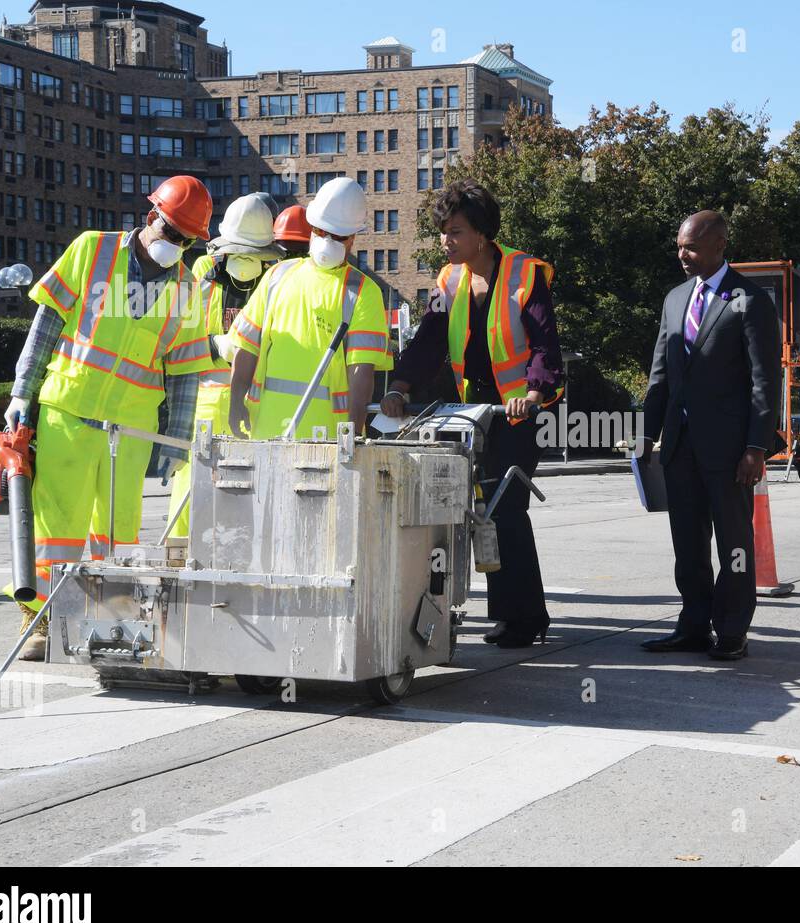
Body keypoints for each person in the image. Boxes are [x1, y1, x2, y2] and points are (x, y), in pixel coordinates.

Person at [3, 175, 217, 659]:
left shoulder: (187, 288)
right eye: (173, 233)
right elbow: (46, 326)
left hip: (132, 429)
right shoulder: (91, 251)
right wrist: (22, 391)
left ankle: (112, 622)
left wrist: (176, 439)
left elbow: (184, 371)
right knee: (57, 525)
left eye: (187, 240)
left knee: (119, 532)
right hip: (69, 413)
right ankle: (38, 621)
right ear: (150, 219)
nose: (177, 247)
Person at [380, 179, 563, 648]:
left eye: (455, 232)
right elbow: (429, 339)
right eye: (443, 232)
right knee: (481, 515)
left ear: (481, 233)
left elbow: (544, 344)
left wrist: (536, 392)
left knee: (506, 511)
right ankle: (506, 614)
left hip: (517, 412)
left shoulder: (525, 274)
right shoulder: (450, 280)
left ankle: (527, 617)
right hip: (473, 413)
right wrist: (399, 386)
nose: (446, 241)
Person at [638, 210, 781, 661]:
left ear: (720, 245)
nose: (683, 255)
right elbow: (660, 375)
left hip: (731, 451)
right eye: (680, 246)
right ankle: (693, 626)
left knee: (734, 543)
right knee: (689, 545)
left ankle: (733, 629)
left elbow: (765, 380)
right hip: (679, 449)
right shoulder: (675, 299)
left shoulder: (751, 300)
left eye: (692, 247)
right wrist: (645, 437)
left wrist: (757, 447)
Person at [228, 177, 391, 440]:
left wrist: (352, 434)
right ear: (311, 227)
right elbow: (246, 346)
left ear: (352, 238)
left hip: (326, 439)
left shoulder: (362, 292)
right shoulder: (278, 275)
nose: (327, 240)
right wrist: (235, 402)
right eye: (321, 231)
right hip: (265, 432)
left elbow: (361, 373)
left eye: (337, 236)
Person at [165, 193, 282, 537]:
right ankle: (181, 551)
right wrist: (217, 346)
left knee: (248, 489)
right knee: (191, 483)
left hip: (256, 401)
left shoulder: (276, 277)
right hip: (205, 398)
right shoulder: (203, 272)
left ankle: (238, 553)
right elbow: (176, 341)